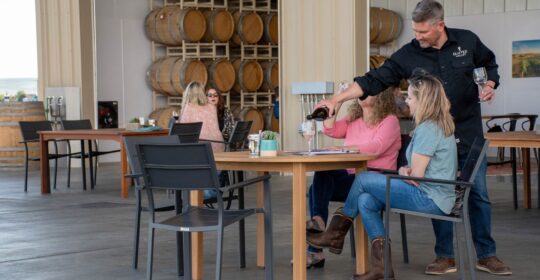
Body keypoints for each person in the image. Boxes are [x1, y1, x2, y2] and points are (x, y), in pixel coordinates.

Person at [312, 0, 511, 276]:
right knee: (436, 187)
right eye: (414, 31)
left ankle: (487, 255)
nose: (417, 37)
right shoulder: (409, 54)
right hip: (436, 135)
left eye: (422, 32)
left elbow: (489, 64)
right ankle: (445, 256)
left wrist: (489, 85)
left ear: (439, 25)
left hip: (466, 133)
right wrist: (337, 99)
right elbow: (374, 79)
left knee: (478, 195)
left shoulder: (467, 40)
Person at [308, 72, 458, 280]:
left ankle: (335, 233)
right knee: (365, 199)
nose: (407, 101)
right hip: (432, 191)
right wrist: (405, 170)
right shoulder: (431, 125)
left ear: (423, 101)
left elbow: (417, 176)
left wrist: (406, 171)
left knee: (362, 180)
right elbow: (414, 171)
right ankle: (381, 269)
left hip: (430, 197)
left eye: (411, 97)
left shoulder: (428, 129)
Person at [305, 87, 401, 268]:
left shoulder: (390, 121)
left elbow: (376, 147)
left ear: (381, 94)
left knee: (314, 191)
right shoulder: (354, 120)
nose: (362, 94)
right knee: (323, 171)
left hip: (374, 180)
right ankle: (319, 221)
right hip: (351, 178)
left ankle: (315, 250)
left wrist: (343, 149)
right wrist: (338, 102)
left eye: (368, 89)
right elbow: (330, 129)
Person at [180, 81, 225, 153]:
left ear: (188, 93)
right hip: (219, 145)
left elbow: (183, 132)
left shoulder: (189, 107)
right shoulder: (212, 106)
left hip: (201, 148)